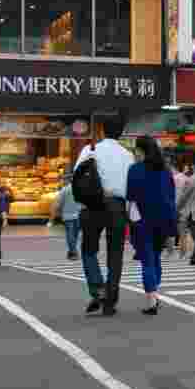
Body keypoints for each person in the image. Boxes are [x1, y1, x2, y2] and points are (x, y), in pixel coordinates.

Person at [76, 116, 134, 317]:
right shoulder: (128, 155)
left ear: (102, 131)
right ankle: (110, 300)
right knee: (115, 255)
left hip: (92, 205)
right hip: (117, 205)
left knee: (88, 250)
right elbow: (131, 185)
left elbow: (77, 176)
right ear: (121, 133)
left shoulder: (89, 150)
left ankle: (97, 289)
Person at [126, 137, 178, 315]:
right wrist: (172, 228)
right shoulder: (166, 171)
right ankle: (155, 291)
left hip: (142, 221)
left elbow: (130, 199)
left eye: (135, 150)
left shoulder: (134, 170)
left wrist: (130, 224)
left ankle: (152, 299)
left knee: (147, 260)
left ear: (140, 151)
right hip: (162, 221)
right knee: (155, 258)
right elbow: (171, 201)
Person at [54, 173, 83, 260]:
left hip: (67, 216)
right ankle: (72, 251)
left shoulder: (64, 190)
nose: (62, 181)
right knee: (75, 235)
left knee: (70, 234)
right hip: (78, 215)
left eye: (63, 180)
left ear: (67, 180)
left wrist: (56, 214)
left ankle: (73, 252)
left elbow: (58, 203)